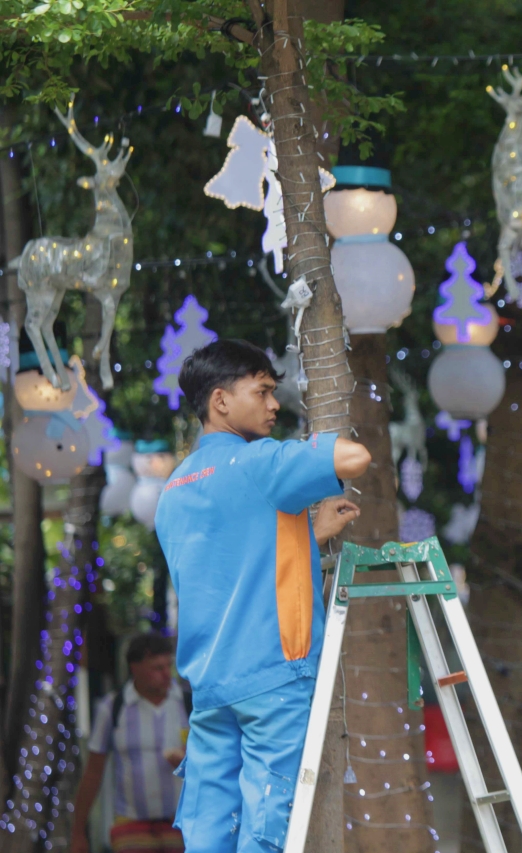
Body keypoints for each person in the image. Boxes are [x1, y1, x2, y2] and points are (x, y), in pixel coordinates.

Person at [154, 340, 371, 853]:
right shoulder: (262, 464)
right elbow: (354, 457)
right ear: (220, 401)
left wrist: (305, 535)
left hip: (210, 687)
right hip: (276, 677)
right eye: (264, 391)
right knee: (266, 833)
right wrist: (308, 450)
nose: (275, 405)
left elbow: (230, 562)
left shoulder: (174, 488)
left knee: (208, 832)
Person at [71, 634, 189, 853]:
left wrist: (189, 762)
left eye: (168, 666)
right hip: (131, 827)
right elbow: (93, 773)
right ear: (135, 668)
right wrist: (78, 832)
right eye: (157, 668)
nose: (166, 675)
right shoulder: (113, 708)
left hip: (182, 825)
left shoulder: (188, 703)